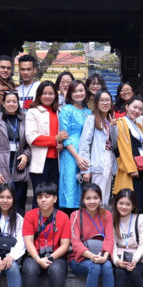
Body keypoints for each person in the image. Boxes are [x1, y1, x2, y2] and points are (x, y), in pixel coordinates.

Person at [21, 182, 71, 287]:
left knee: (56, 270)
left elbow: (65, 245)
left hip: (56, 256)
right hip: (34, 255)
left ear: (55, 199)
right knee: (29, 268)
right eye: (40, 197)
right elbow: (28, 241)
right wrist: (37, 259)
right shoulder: (30, 215)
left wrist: (50, 258)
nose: (43, 200)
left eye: (47, 196)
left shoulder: (63, 217)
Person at [69, 183, 115, 287]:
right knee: (95, 267)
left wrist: (105, 256)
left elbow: (109, 238)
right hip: (80, 259)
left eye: (95, 198)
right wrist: (92, 256)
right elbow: (75, 242)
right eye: (88, 198)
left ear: (100, 198)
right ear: (83, 199)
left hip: (102, 256)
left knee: (107, 266)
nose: (92, 201)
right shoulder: (75, 215)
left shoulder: (107, 215)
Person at [0, 91, 31, 214]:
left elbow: (30, 144)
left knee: (18, 199)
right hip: (2, 162)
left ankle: (17, 224)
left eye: (14, 101)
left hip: (19, 162)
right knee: (3, 199)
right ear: (3, 103)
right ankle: (2, 225)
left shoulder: (25, 120)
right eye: (8, 101)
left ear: (18, 103)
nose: (11, 104)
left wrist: (26, 155)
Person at [25, 81, 68, 208]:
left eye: (51, 93)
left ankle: (54, 221)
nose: (48, 96)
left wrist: (60, 144)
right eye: (44, 93)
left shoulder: (59, 112)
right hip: (40, 162)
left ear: (56, 95)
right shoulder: (33, 112)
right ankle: (37, 221)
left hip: (57, 161)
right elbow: (31, 138)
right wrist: (55, 139)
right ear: (39, 95)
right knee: (40, 197)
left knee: (54, 197)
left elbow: (61, 136)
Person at [111, 96, 143, 213]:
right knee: (131, 201)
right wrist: (131, 168)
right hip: (130, 168)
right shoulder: (120, 123)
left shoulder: (139, 126)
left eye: (140, 109)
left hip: (142, 167)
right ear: (127, 106)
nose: (137, 111)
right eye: (134, 107)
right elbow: (122, 148)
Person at [58, 80, 92, 215]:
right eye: (75, 91)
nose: (79, 93)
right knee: (70, 186)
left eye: (81, 90)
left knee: (85, 188)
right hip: (71, 153)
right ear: (70, 94)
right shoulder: (66, 110)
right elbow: (65, 137)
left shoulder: (88, 112)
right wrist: (77, 157)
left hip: (86, 151)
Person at [79, 90, 117, 207]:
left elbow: (115, 144)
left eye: (107, 100)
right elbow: (84, 145)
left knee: (105, 198)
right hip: (96, 164)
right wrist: (85, 170)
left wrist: (113, 128)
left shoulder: (111, 120)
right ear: (96, 103)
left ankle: (102, 218)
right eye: (102, 100)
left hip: (109, 162)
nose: (105, 103)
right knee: (96, 198)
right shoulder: (91, 119)